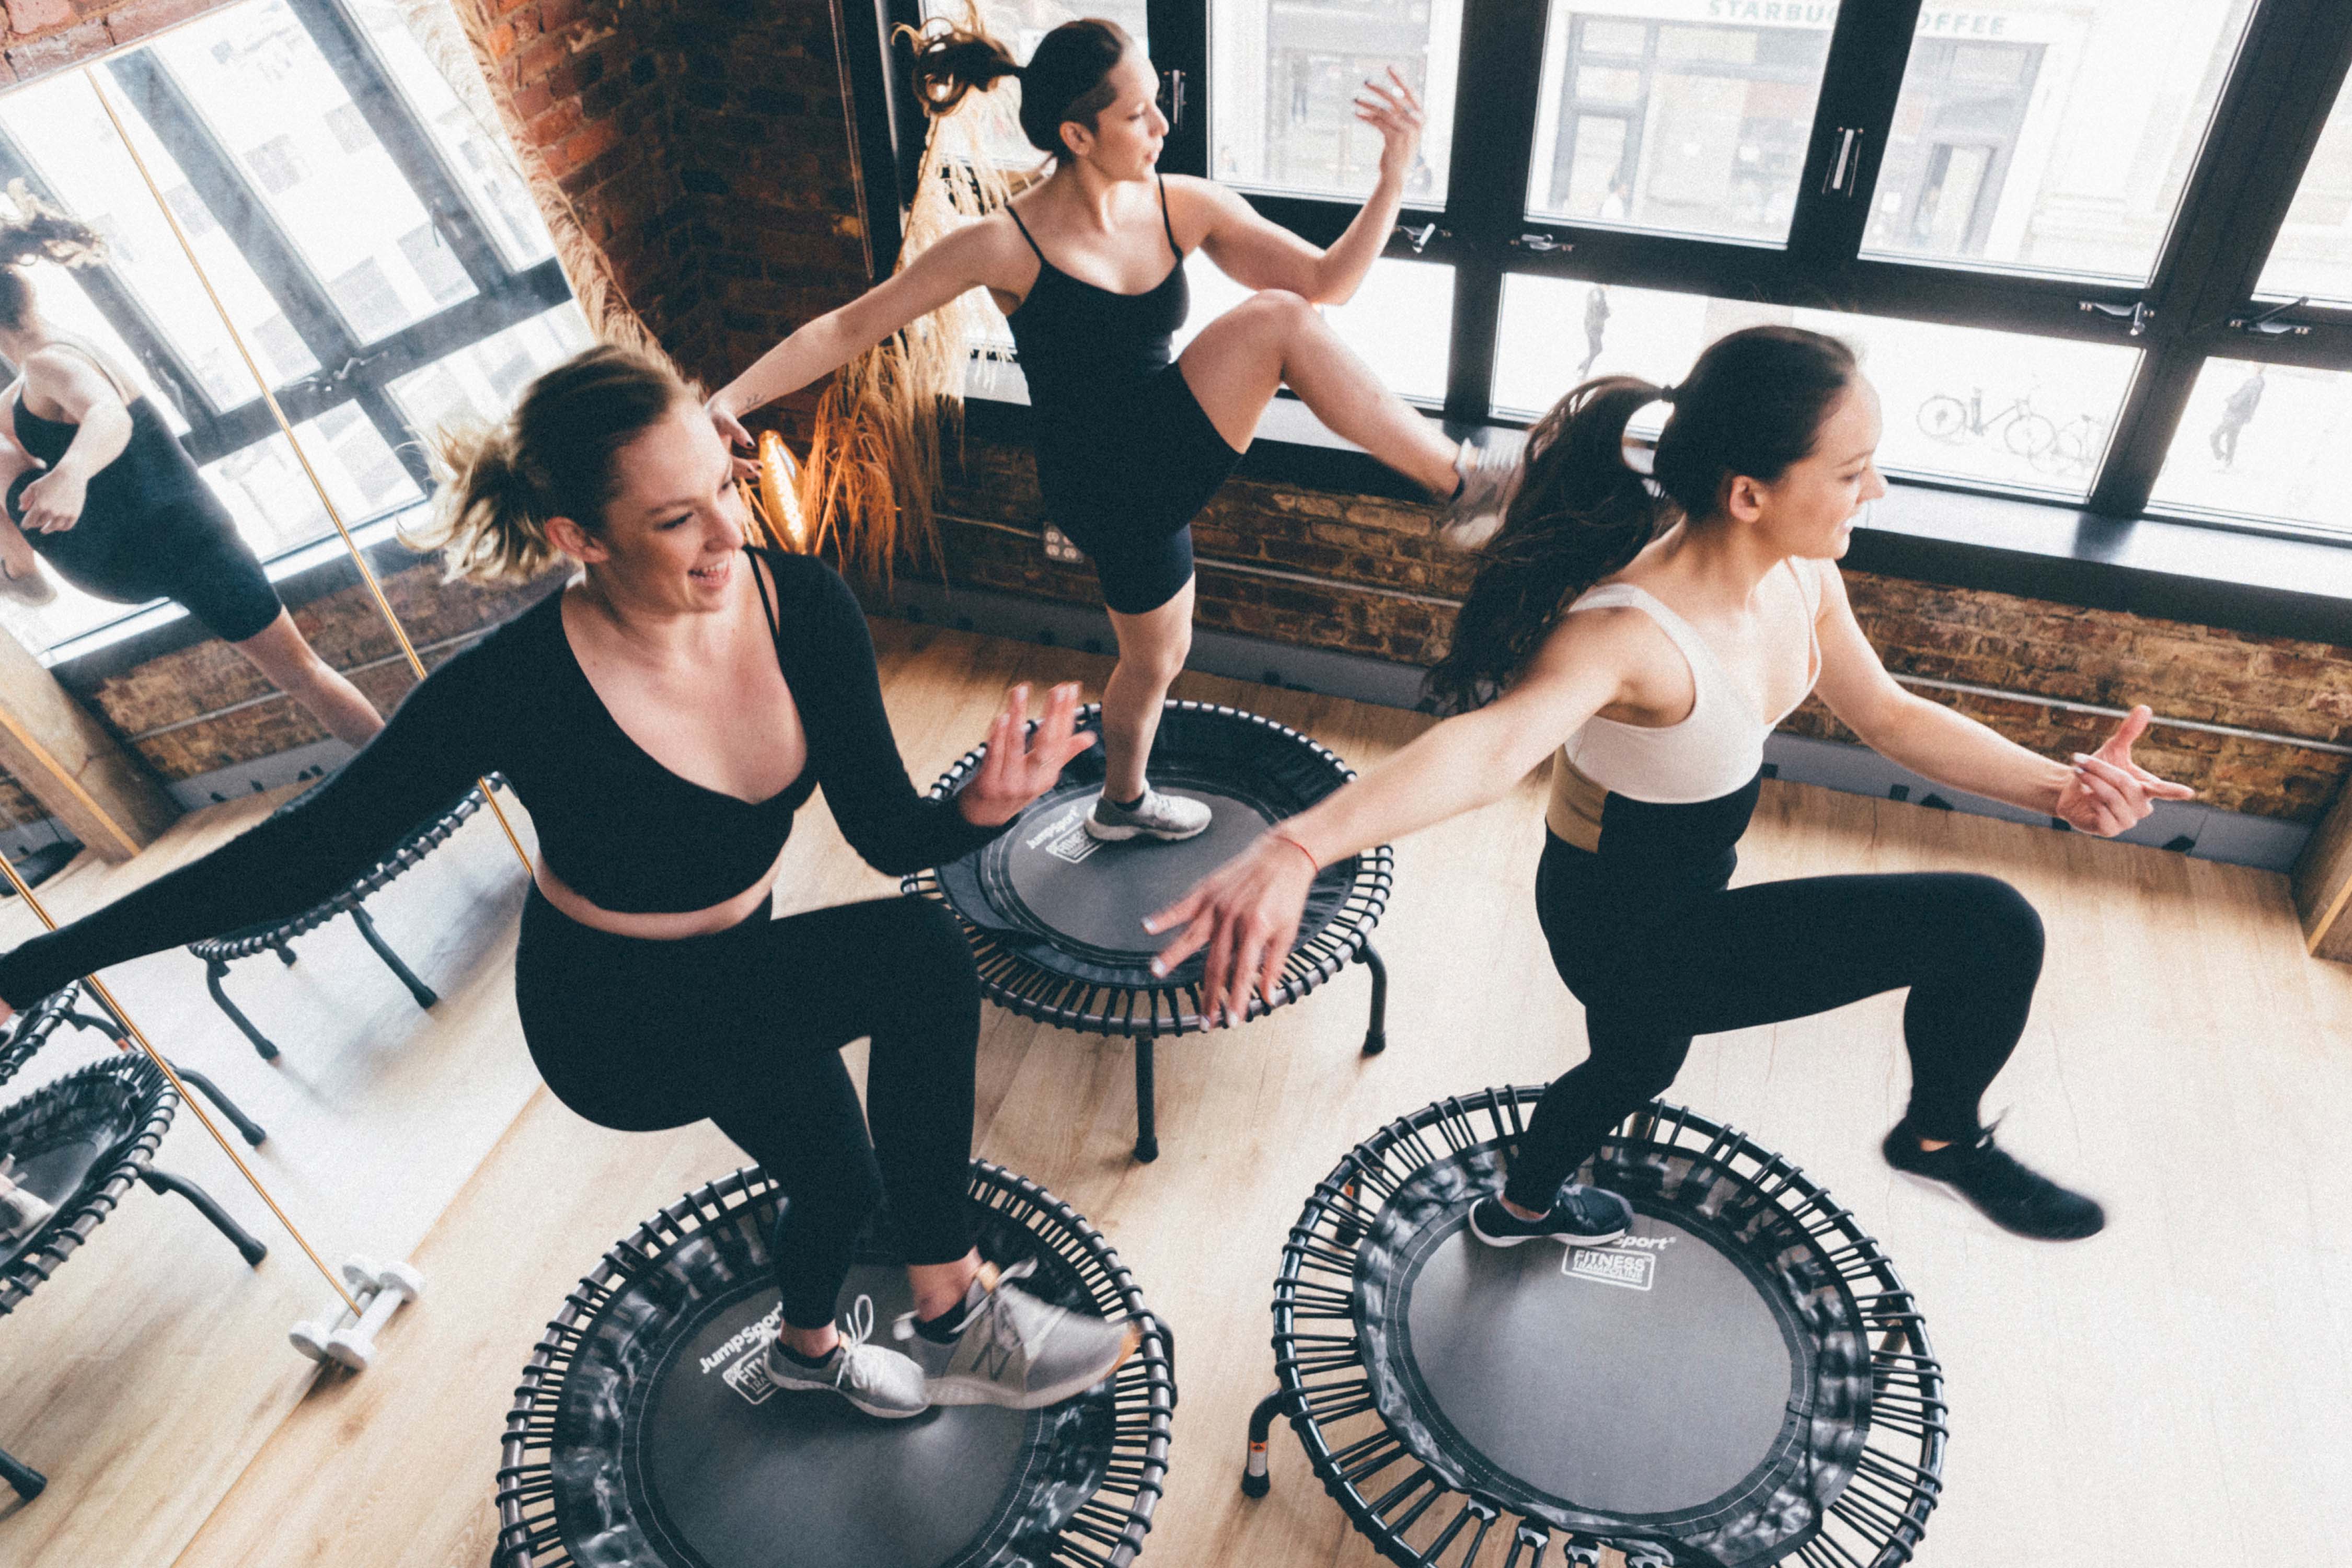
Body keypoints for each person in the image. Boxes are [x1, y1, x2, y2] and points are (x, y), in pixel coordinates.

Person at [0, 344, 1138, 1419]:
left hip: (741, 962)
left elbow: (889, 834)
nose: (722, 537)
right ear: (577, 536)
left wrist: (976, 813)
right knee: (915, 956)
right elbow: (307, 851)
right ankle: (955, 1312)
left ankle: (807, 1358)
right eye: (674, 519)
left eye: (724, 488)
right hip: (615, 1018)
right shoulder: (517, 686)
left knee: (839, 1186)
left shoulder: (804, 609)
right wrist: (35, 964)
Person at [1146, 326, 2194, 1245]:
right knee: (1987, 924)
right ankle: (1937, 1140)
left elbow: (1890, 716)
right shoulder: (1626, 638)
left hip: (1692, 888)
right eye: (1853, 471)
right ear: (1750, 494)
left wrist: (2060, 789)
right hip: (1621, 926)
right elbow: (1493, 747)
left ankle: (1516, 1207)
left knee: (1637, 1067)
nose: (1875, 492)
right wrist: (1298, 846)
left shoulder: (1799, 571)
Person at [709, 19, 1516, 848]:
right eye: (1139, 115)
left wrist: (1391, 176)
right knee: (1278, 324)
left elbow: (1328, 281)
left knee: (1158, 660)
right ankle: (1466, 486)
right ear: (1077, 134)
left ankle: (1121, 805)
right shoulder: (1004, 243)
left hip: (1159, 447)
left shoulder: (1182, 203)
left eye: (1158, 104)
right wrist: (729, 396)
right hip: (1099, 478)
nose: (1164, 125)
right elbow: (848, 328)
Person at [0, 200, 382, 746]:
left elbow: (108, 416)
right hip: (189, 534)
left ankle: (17, 572)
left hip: (126, 557)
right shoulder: (54, 361)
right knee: (305, 676)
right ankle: (19, 572)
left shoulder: (49, 367)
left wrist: (72, 475)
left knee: (302, 675)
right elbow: (20, 416)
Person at [2210, 364, 2265, 469]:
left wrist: (2229, 400)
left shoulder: (2253, 384)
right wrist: (2249, 415)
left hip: (2234, 415)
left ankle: (2221, 458)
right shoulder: (2257, 383)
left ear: (2256, 368)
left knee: (2215, 436)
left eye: (2252, 365)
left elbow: (2241, 401)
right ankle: (2227, 463)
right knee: (2231, 440)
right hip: (2240, 417)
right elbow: (2252, 402)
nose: (2249, 367)